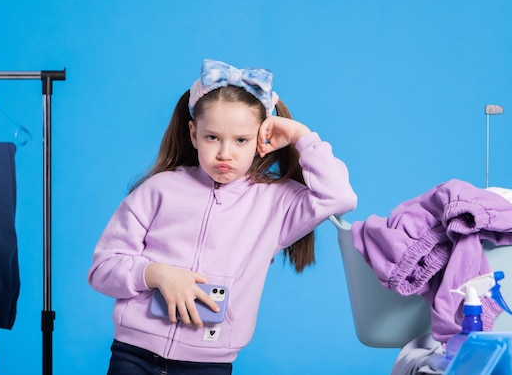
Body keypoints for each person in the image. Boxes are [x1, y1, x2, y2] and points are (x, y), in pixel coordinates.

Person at [88, 59, 357, 374]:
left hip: (208, 363)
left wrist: (301, 136)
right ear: (193, 134)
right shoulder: (158, 189)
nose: (225, 153)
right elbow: (102, 270)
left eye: (241, 140)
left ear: (261, 139)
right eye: (212, 137)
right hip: (132, 356)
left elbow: (339, 197)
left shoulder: (276, 203)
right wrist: (155, 273)